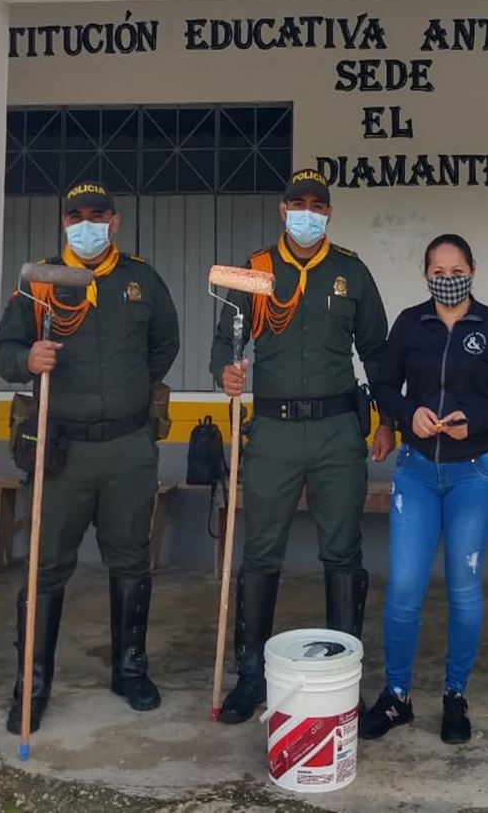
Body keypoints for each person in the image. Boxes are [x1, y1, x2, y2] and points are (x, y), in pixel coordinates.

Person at [0, 181, 180, 732]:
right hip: (62, 450)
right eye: (77, 216)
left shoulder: (141, 280)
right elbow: (1, 351)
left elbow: (163, 345)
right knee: (46, 566)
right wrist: (26, 357)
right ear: (64, 224)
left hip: (127, 446)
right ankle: (34, 681)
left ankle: (129, 669)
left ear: (115, 223)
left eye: (99, 215)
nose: (88, 224)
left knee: (129, 559)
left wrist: (126, 388)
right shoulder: (38, 282)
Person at [210, 168, 394, 724]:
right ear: (283, 210)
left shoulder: (351, 272)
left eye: (318, 203)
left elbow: (379, 352)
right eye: (298, 203)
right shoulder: (255, 272)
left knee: (342, 553)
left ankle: (341, 675)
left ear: (329, 213)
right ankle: (249, 676)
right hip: (273, 432)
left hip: (339, 430)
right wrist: (227, 373)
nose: (308, 211)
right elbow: (226, 343)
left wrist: (388, 421)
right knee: (261, 552)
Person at [360, 233, 488, 745]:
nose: (447, 278)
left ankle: (455, 696)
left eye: (456, 269)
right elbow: (385, 385)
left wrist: (473, 420)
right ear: (426, 275)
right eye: (437, 270)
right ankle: (396, 698)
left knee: (463, 589)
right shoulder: (410, 324)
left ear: (472, 271)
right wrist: (407, 413)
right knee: (405, 587)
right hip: (415, 470)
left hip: (474, 473)